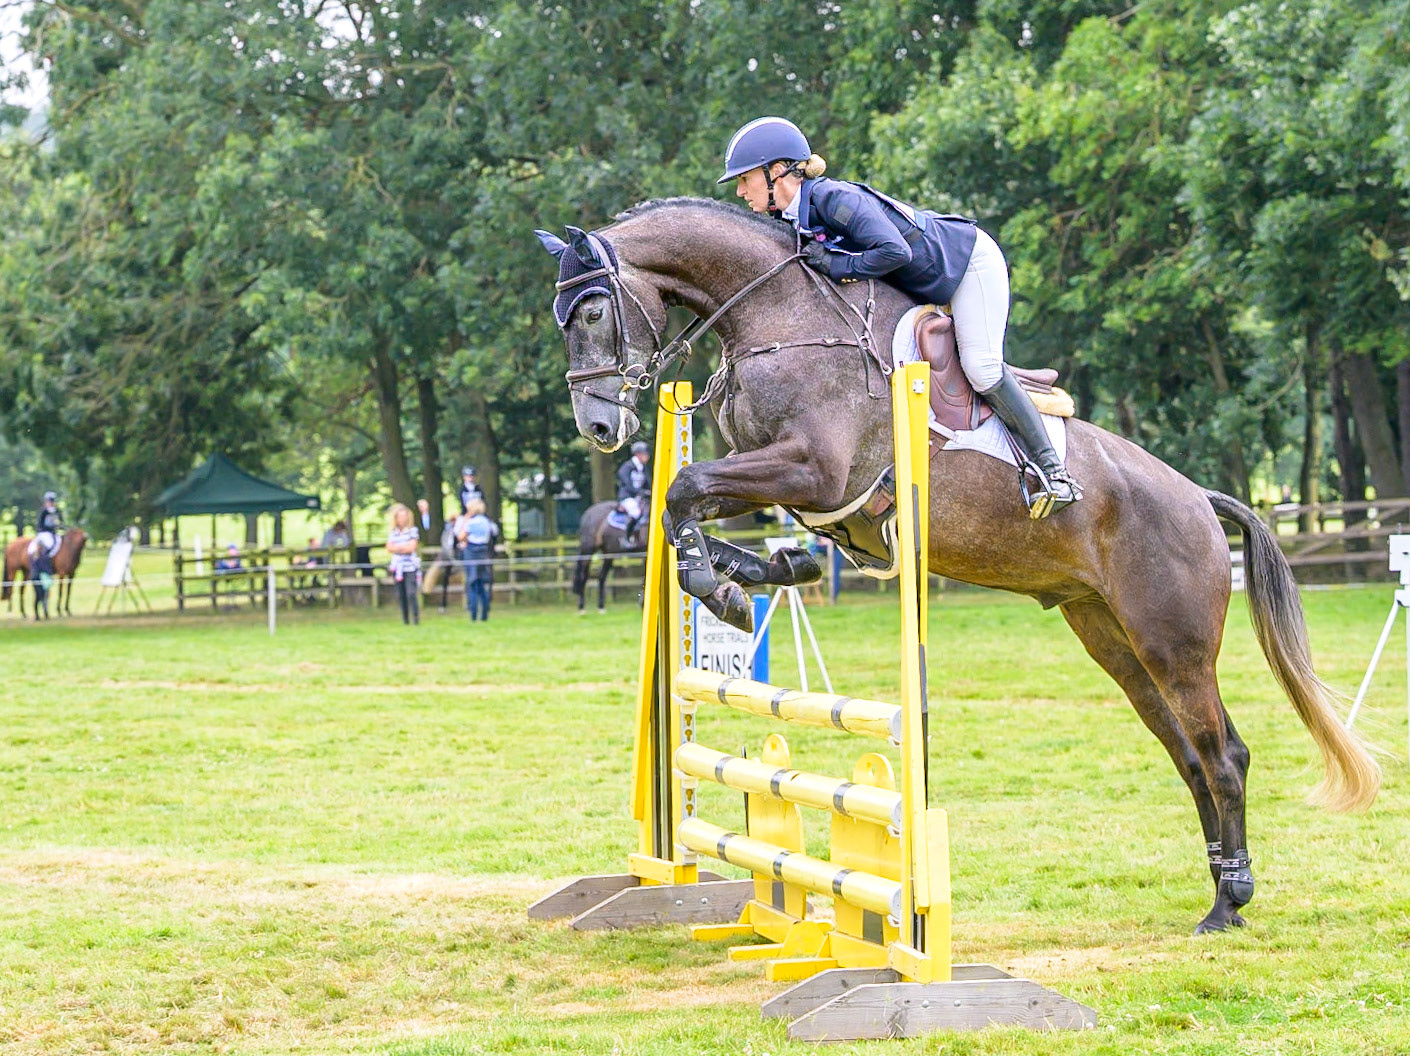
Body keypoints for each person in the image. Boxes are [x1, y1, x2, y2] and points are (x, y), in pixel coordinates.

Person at [717, 117, 1082, 518]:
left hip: (965, 267)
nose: (739, 190)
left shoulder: (835, 200)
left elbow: (895, 253)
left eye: (745, 178)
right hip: (923, 284)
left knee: (980, 367)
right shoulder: (792, 219)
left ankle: (1054, 471)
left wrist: (837, 265)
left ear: (777, 171)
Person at [454, 498, 499, 622]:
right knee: (482, 584)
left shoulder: (471, 522)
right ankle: (485, 612)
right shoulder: (486, 521)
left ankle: (473, 613)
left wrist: (465, 520)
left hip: (471, 552)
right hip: (483, 552)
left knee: (472, 583)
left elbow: (460, 536)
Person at [386, 503, 422, 625]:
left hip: (410, 566)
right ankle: (405, 619)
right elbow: (389, 547)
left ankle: (416, 618)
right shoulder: (393, 532)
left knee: (411, 593)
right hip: (397, 567)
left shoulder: (413, 531)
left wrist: (398, 548)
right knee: (401, 594)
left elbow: (411, 547)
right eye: (400, 517)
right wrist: (402, 547)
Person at [617, 441, 651, 537]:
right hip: (627, 497)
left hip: (639, 497)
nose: (647, 456)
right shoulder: (626, 467)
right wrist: (641, 492)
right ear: (638, 454)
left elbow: (648, 483)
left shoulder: (643, 468)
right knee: (636, 512)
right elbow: (628, 485)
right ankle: (628, 537)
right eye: (645, 454)